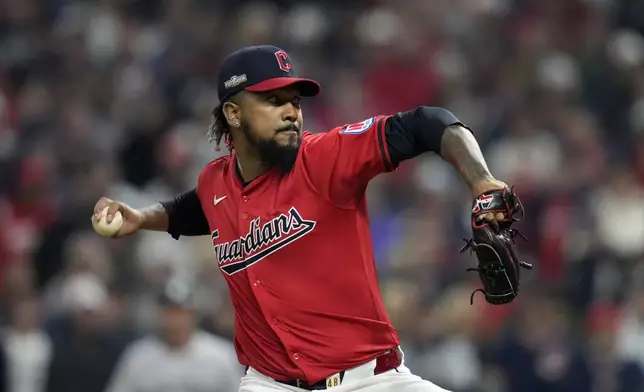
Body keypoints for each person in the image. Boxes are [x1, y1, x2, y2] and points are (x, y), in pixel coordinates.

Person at [92, 45, 511, 391]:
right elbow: (196, 208)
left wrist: (482, 180)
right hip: (269, 384)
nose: (291, 111)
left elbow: (429, 123)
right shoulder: (215, 182)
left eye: (294, 101)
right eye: (273, 101)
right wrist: (142, 218)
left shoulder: (326, 156)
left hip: (370, 381)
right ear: (234, 114)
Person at [105, 279, 243, 392]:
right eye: (170, 313)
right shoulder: (138, 357)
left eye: (181, 313)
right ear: (159, 315)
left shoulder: (221, 356)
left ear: (193, 315)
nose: (175, 321)